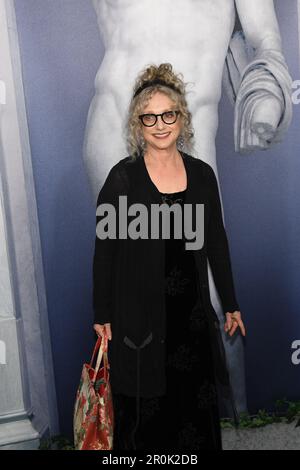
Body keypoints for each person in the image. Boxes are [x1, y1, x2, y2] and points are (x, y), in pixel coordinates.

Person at [93, 63, 246, 450]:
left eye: (168, 114)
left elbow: (216, 242)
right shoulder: (122, 179)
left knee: (193, 411)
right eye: (149, 117)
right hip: (139, 320)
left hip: (191, 317)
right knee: (146, 422)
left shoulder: (202, 175)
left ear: (181, 117)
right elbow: (104, 253)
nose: (160, 125)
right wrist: (101, 314)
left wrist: (230, 303)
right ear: (137, 124)